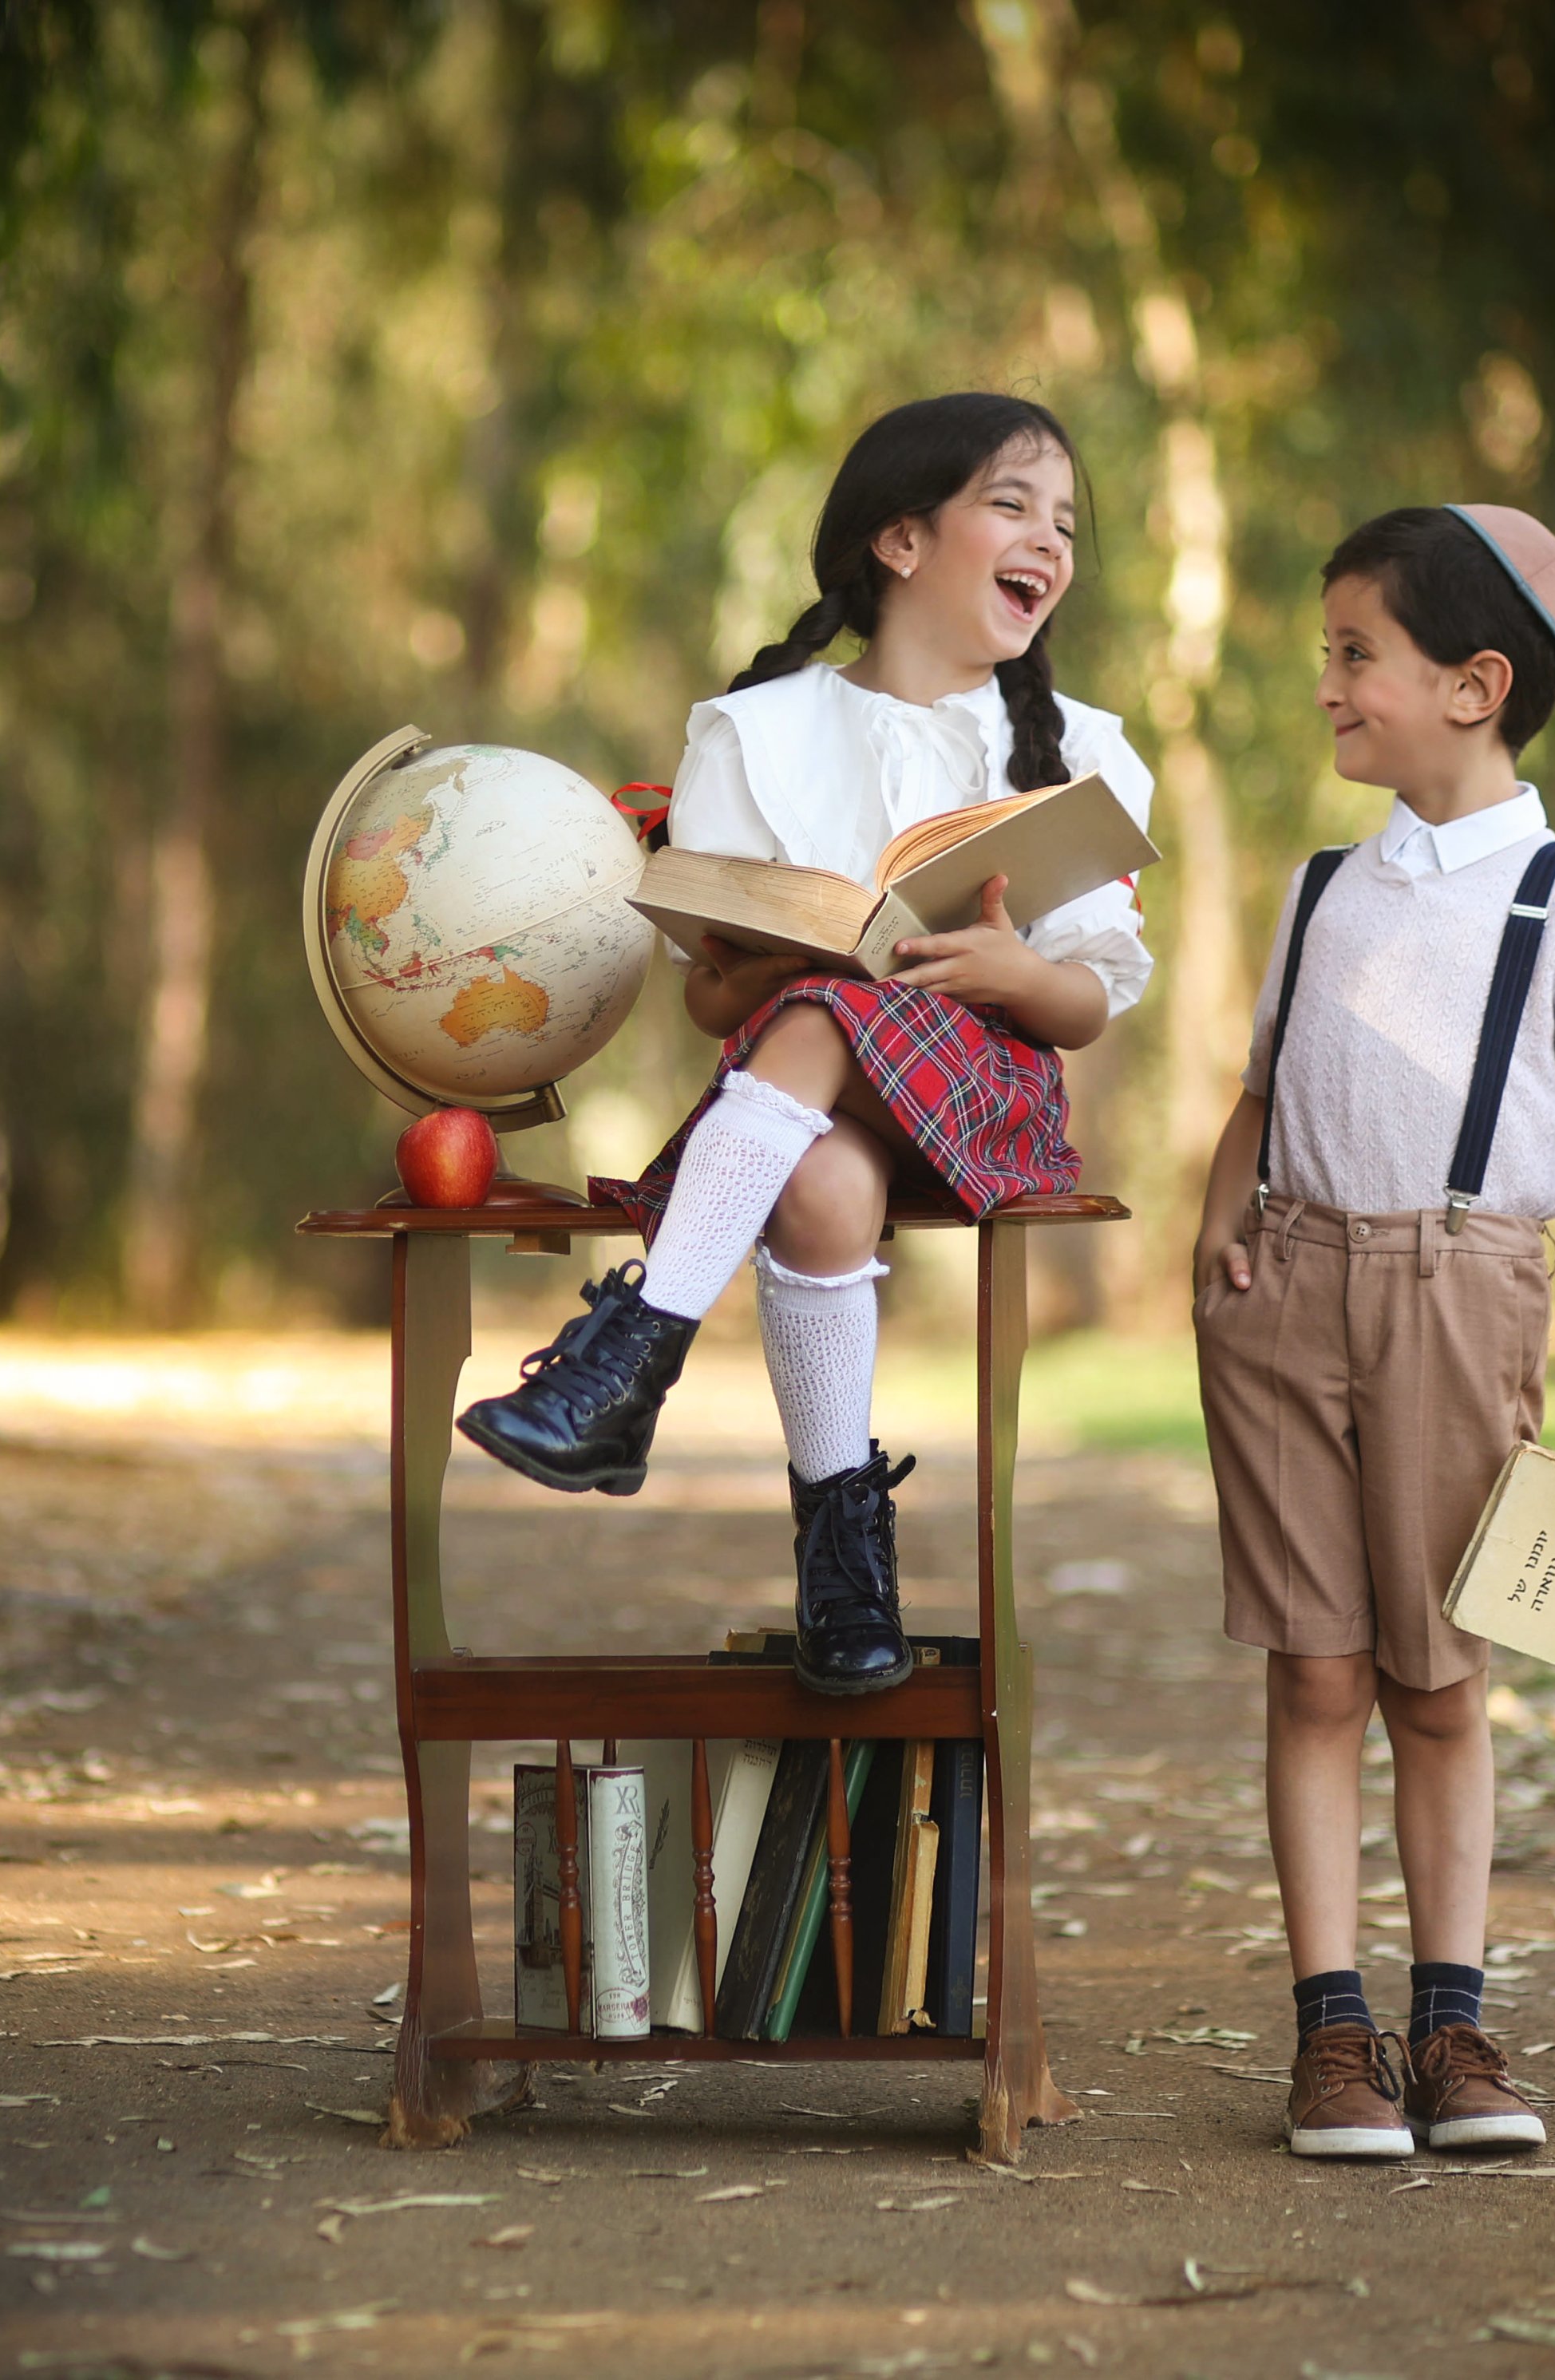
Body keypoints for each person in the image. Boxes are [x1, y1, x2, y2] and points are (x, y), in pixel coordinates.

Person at [454, 393, 1156, 1699]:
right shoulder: (758, 732)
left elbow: (1085, 1007)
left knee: (830, 1016)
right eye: (1013, 506)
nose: (1051, 542)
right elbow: (713, 1003)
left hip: (989, 1100)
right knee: (823, 1175)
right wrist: (781, 960)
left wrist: (1011, 970)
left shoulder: (1085, 751)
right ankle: (845, 1565)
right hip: (820, 1105)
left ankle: (634, 1352)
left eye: (1065, 523)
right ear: (901, 539)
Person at [1189, 504, 1555, 2159]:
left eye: (1354, 654)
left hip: (1463, 1298)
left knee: (1438, 1680)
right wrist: (1217, 1220)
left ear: (1474, 685)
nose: (1325, 685)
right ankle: (1333, 2036)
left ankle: (1451, 2027)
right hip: (1283, 1297)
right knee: (1313, 1669)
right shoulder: (1322, 889)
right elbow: (1262, 1087)